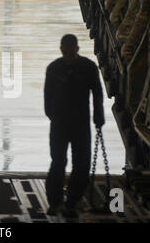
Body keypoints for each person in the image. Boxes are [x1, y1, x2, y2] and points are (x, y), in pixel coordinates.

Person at [44, 34, 105, 217]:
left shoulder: (88, 67)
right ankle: (55, 203)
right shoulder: (54, 69)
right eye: (66, 52)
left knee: (82, 165)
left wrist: (98, 117)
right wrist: (53, 117)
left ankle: (72, 202)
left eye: (71, 52)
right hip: (61, 124)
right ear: (62, 49)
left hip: (79, 124)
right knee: (58, 162)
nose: (69, 56)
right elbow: (48, 98)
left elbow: (97, 94)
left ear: (76, 50)